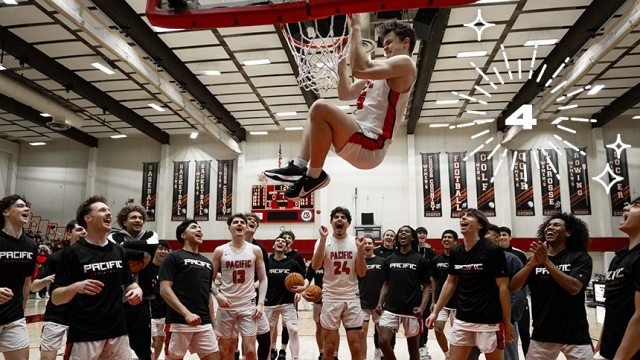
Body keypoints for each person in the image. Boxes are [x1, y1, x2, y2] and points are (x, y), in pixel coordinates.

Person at [263, 16, 417, 200]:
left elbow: (360, 67)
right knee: (316, 112)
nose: (385, 47)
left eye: (389, 42)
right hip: (360, 137)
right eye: (384, 44)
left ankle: (314, 176)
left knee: (320, 106)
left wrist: (356, 26)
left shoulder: (407, 65)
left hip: (373, 144)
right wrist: (341, 61)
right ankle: (299, 166)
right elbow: (346, 93)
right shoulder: (382, 71)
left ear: (406, 42)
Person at [52, 195, 143, 360]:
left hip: (118, 332)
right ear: (87, 219)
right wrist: (75, 287)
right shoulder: (72, 253)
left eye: (108, 210)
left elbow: (129, 284)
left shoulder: (119, 251)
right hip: (85, 334)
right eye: (102, 210)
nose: (109, 213)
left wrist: (137, 291)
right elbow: (56, 298)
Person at [426, 208, 514, 360]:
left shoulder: (493, 251)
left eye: (469, 216)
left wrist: (507, 322)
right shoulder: (456, 251)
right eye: (462, 216)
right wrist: (435, 312)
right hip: (462, 319)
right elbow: (450, 283)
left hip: (489, 321)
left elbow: (503, 287)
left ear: (480, 225)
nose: (463, 218)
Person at [510, 213, 593, 360]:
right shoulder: (535, 260)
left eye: (556, 225)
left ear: (568, 232)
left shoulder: (580, 257)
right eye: (548, 225)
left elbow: (574, 288)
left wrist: (546, 262)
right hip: (542, 332)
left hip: (575, 333)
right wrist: (530, 264)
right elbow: (514, 286)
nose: (550, 227)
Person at [311, 206, 366, 360]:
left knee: (356, 346)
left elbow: (361, 272)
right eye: (336, 217)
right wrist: (322, 239)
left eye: (343, 218)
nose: (339, 219)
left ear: (348, 223)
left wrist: (361, 250)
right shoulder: (323, 241)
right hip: (330, 298)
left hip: (352, 297)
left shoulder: (355, 242)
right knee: (328, 348)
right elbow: (315, 266)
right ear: (331, 223)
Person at [159, 219, 219, 360]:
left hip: (204, 323)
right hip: (179, 321)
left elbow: (208, 296)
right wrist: (187, 314)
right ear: (183, 235)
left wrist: (214, 327)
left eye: (200, 228)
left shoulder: (208, 263)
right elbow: (164, 290)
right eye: (194, 227)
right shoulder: (173, 257)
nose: (199, 230)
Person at [108, 204, 160, 360]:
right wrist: (142, 254)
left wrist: (126, 248)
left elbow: (153, 245)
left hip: (143, 297)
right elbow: (114, 249)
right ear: (124, 222)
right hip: (117, 297)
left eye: (140, 218)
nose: (138, 220)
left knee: (143, 344)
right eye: (133, 217)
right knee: (115, 342)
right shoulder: (114, 236)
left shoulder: (150, 234)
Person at [212, 213, 267, 360]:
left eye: (242, 222)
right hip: (226, 305)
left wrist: (260, 304)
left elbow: (263, 278)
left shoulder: (255, 250)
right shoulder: (220, 251)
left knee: (250, 351)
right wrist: (217, 295)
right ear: (229, 227)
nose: (240, 224)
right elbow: (209, 280)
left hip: (248, 305)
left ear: (246, 227)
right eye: (236, 222)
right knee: (224, 352)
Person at [468, 225, 526, 360]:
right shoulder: (472, 259)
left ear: (497, 237)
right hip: (476, 320)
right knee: (469, 356)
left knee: (507, 357)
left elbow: (518, 293)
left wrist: (509, 320)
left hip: (502, 322)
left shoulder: (512, 260)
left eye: (485, 234)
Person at [31, 220, 86, 360]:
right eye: (79, 229)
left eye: (86, 230)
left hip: (83, 316)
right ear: (68, 235)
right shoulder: (55, 257)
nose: (84, 232)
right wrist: (45, 280)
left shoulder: (94, 258)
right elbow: (34, 286)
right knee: (46, 358)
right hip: (56, 315)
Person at [595, 196, 640, 360]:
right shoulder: (618, 258)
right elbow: (612, 310)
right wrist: (599, 350)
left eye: (636, 206)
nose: (626, 208)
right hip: (609, 352)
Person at [377, 225, 431, 360]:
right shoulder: (389, 259)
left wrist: (422, 308)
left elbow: (426, 287)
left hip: (411, 310)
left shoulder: (420, 260)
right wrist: (379, 303)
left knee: (413, 350)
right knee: (383, 341)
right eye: (400, 232)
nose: (403, 233)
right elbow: (385, 284)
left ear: (412, 237)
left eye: (406, 232)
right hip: (391, 308)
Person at [0, 195, 37, 360]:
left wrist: (20, 313)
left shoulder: (31, 245)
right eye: (20, 206)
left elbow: (26, 282)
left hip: (14, 318)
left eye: (27, 207)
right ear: (6, 212)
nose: (26, 209)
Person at [265, 237, 305, 360]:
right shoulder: (266, 262)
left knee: (293, 330)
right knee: (267, 334)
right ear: (273, 246)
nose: (281, 242)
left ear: (286, 247)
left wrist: (300, 291)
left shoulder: (292, 263)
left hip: (287, 302)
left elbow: (303, 279)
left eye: (283, 242)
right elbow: (259, 280)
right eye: (278, 241)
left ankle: (294, 358)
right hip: (269, 303)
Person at [498, 226, 530, 356]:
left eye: (504, 235)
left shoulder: (519, 254)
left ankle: (528, 356)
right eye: (499, 235)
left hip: (519, 300)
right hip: (504, 304)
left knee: (523, 331)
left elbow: (523, 278)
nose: (501, 237)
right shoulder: (492, 254)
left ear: (510, 237)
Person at [244, 213, 271, 360]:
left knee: (264, 338)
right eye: (249, 220)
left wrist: (259, 291)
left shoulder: (260, 249)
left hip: (253, 299)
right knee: (232, 341)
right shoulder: (227, 248)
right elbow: (216, 274)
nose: (252, 221)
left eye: (255, 221)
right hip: (233, 299)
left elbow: (264, 276)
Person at [302, 261, 341, 360]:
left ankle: (335, 355)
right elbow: (308, 278)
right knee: (319, 327)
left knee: (334, 328)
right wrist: (303, 290)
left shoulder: (334, 261)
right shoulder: (314, 263)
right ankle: (321, 353)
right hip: (318, 300)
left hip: (333, 299)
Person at [430, 230, 459, 360]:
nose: (446, 239)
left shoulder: (461, 258)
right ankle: (447, 355)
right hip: (441, 301)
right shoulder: (436, 259)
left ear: (455, 241)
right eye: (444, 237)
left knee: (457, 333)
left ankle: (456, 355)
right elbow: (434, 282)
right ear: (442, 241)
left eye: (450, 237)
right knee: (438, 330)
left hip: (458, 302)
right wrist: (432, 302)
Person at [358, 237, 385, 360]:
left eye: (370, 243)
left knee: (382, 334)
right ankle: (363, 358)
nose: (367, 246)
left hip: (378, 303)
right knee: (362, 333)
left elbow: (387, 283)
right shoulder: (357, 262)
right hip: (362, 303)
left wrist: (384, 300)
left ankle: (384, 355)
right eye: (365, 244)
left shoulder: (382, 261)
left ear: (374, 246)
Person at [148, 240, 170, 360]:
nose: (164, 251)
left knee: (160, 340)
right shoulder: (147, 266)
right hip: (150, 312)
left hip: (164, 312)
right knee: (152, 341)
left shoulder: (168, 268)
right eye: (160, 248)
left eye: (166, 249)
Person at [416, 226, 435, 360]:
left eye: (424, 233)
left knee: (426, 319)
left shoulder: (431, 252)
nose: (422, 235)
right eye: (420, 233)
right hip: (414, 290)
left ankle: (423, 346)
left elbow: (433, 273)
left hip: (427, 290)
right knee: (415, 320)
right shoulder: (411, 250)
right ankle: (416, 346)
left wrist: (430, 286)